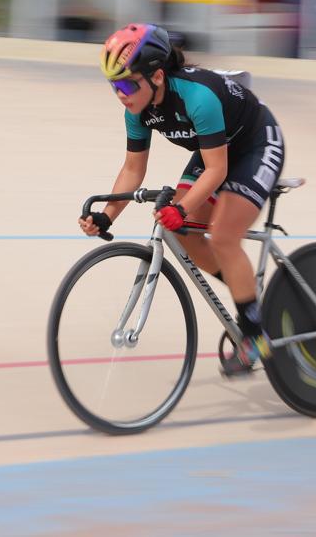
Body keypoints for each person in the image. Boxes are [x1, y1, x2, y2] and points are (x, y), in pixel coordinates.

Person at [78, 23, 286, 377]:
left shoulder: (196, 97)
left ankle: (255, 331)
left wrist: (181, 207)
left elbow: (217, 170)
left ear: (157, 76)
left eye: (127, 83)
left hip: (254, 143)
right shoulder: (137, 110)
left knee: (222, 236)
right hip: (214, 148)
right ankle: (246, 291)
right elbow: (132, 169)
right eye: (114, 85)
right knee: (184, 232)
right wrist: (107, 216)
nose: (121, 94)